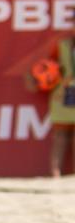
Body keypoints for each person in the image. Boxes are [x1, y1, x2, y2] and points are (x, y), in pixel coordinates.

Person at [31, 35, 75, 177]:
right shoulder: (62, 46)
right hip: (62, 95)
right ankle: (55, 172)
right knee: (60, 136)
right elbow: (47, 68)